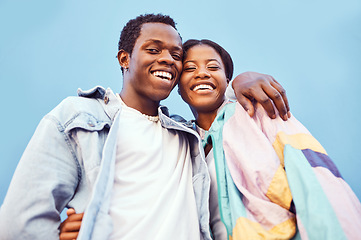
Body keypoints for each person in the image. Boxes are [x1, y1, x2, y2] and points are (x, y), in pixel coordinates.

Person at [0, 14, 290, 240]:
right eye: (154, 49)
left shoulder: (187, 137)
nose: (167, 59)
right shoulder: (78, 117)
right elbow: (22, 220)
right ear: (124, 58)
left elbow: (216, 104)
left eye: (177, 55)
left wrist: (240, 79)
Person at [177, 39, 361, 239]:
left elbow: (317, 179)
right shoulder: (183, 144)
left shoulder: (257, 113)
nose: (202, 73)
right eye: (189, 68)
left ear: (227, 80)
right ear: (178, 86)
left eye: (213, 67)